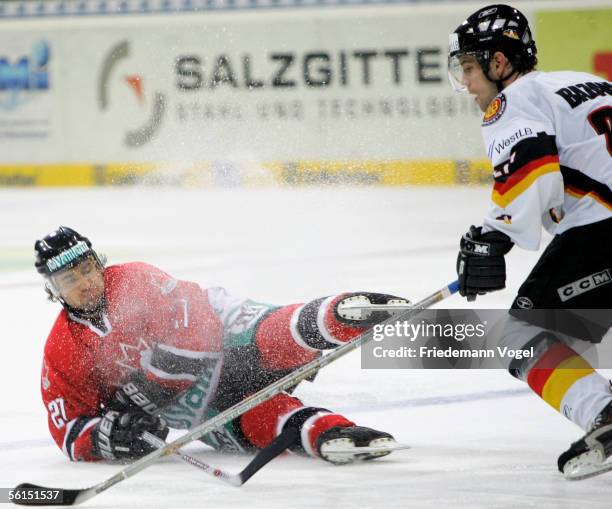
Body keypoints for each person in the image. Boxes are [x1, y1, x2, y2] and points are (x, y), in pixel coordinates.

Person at [36, 226, 405, 465]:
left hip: (221, 335)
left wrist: (148, 391)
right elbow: (68, 428)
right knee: (254, 422)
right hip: (192, 405)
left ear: (98, 264)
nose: (85, 282)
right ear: (53, 291)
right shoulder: (62, 349)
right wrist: (105, 437)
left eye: (87, 268)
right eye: (70, 278)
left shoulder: (134, 279)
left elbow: (197, 334)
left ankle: (341, 316)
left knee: (271, 336)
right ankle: (326, 432)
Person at [448, 4, 612, 478]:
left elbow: (531, 171)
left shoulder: (513, 99)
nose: (469, 84)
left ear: (500, 63)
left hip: (602, 230)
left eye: (471, 68)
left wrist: (491, 235)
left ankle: (603, 415)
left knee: (518, 333)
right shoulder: (587, 82)